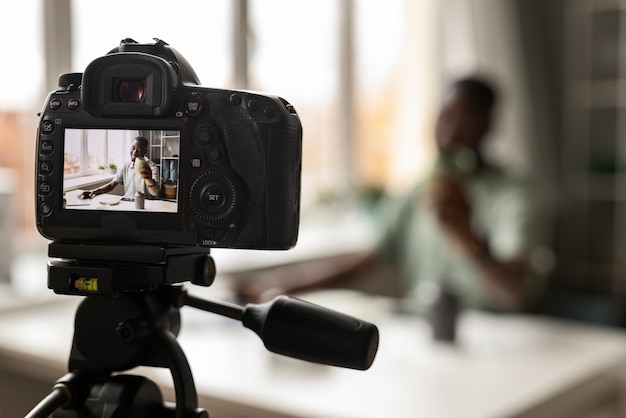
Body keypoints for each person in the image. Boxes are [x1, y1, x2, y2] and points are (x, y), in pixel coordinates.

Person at [234, 77, 550, 312]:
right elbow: (363, 263)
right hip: (426, 341)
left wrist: (468, 237)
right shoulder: (418, 191)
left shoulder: (515, 196)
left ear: (488, 127)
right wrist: (280, 288)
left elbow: (514, 293)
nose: (451, 134)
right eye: (445, 118)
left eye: (466, 122)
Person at [80, 136, 161, 199]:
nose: (134, 152)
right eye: (133, 148)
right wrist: (93, 191)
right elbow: (111, 185)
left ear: (145, 151)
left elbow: (155, 192)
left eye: (139, 150)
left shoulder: (152, 167)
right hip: (127, 203)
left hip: (144, 205)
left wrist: (150, 181)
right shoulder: (126, 166)